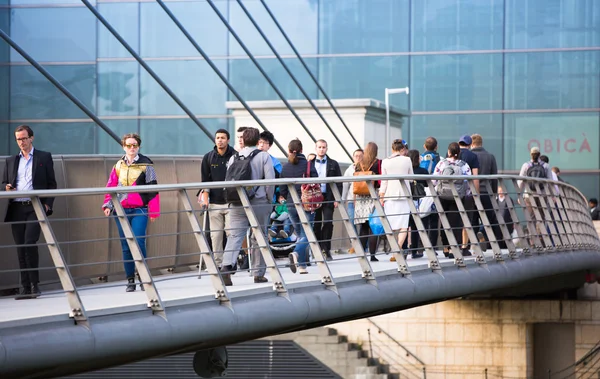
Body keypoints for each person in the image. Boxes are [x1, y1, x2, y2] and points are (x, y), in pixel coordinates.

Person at [2, 125, 57, 300]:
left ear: (31, 138)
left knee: (29, 243)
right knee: (20, 247)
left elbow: (52, 183)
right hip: (17, 207)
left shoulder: (44, 157)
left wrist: (47, 204)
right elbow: (3, 181)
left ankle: (35, 285)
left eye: (24, 138)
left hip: (35, 206)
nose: (22, 142)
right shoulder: (11, 160)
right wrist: (6, 187)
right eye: (19, 139)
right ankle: (25, 287)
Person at [102, 133, 160, 292]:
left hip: (139, 209)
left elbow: (153, 189)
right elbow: (110, 187)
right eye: (129, 145)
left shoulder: (147, 165)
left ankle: (143, 276)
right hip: (120, 210)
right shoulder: (118, 165)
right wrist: (107, 205)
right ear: (123, 147)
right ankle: (130, 280)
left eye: (134, 145)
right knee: (126, 245)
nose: (132, 148)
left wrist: (154, 211)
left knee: (139, 242)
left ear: (138, 146)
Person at [220, 128, 275, 286]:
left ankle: (226, 267)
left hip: (236, 202)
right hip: (258, 202)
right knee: (259, 236)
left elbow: (226, 181)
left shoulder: (233, 157)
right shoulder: (264, 156)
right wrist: (268, 200)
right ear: (258, 141)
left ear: (243, 140)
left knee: (235, 236)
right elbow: (270, 181)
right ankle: (258, 273)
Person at [198, 128, 235, 267]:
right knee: (216, 235)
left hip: (231, 202)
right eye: (218, 137)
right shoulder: (208, 157)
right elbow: (205, 181)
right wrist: (205, 199)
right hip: (214, 202)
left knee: (231, 233)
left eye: (223, 138)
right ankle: (219, 264)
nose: (220, 140)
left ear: (228, 140)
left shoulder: (235, 156)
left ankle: (230, 261)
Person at [280, 139, 318, 274]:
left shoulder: (285, 167)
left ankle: (302, 266)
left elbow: (282, 189)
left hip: (291, 204)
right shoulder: (308, 165)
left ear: (289, 151)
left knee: (300, 234)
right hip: (307, 204)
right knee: (307, 234)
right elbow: (316, 181)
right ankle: (296, 254)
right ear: (301, 150)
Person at [433, 142, 472, 257]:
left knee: (444, 221)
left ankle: (445, 247)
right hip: (458, 196)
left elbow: (434, 180)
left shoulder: (441, 164)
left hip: (443, 195)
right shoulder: (464, 165)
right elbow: (468, 181)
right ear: (459, 153)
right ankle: (453, 249)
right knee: (456, 223)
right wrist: (466, 193)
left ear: (448, 152)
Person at [379, 140, 413, 260]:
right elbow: (411, 177)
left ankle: (395, 249)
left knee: (391, 226)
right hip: (404, 195)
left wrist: (381, 197)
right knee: (404, 225)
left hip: (389, 195)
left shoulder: (385, 161)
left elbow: (384, 182)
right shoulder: (407, 160)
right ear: (402, 149)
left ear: (392, 148)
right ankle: (398, 248)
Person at [309, 139, 342, 261]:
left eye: (324, 147)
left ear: (327, 148)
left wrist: (337, 198)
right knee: (316, 224)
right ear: (315, 148)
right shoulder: (310, 163)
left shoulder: (333, 163)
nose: (321, 149)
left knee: (328, 222)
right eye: (319, 147)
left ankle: (326, 248)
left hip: (328, 197)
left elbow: (339, 182)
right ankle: (318, 248)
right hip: (314, 197)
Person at [470, 134, 501, 252]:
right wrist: (494, 193)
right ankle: (482, 232)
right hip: (486, 193)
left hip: (472, 192)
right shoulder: (490, 156)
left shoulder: (470, 156)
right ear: (481, 143)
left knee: (473, 218)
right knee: (487, 218)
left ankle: (474, 245)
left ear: (472, 144)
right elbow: (494, 176)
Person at [353, 142, 383, 261]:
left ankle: (361, 255)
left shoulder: (359, 164)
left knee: (363, 228)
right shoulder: (378, 163)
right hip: (372, 195)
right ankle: (372, 255)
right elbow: (380, 181)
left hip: (360, 197)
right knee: (373, 227)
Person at [518, 147, 553, 245]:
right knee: (541, 218)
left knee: (531, 218)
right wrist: (552, 195)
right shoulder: (546, 166)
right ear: (539, 154)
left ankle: (532, 242)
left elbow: (520, 181)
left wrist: (519, 195)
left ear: (531, 154)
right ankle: (541, 241)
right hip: (542, 196)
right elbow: (550, 182)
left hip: (529, 195)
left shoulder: (526, 165)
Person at [458, 135, 480, 253]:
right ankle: (464, 246)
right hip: (467, 192)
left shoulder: (451, 154)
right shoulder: (473, 156)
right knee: (466, 219)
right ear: (470, 145)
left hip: (453, 192)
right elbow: (475, 177)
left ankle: (452, 247)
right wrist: (476, 193)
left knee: (454, 219)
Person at [406, 149, 428, 258]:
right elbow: (428, 186)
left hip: (405, 201)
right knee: (415, 226)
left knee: (405, 225)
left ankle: (405, 249)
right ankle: (415, 250)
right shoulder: (423, 171)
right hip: (419, 201)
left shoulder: (405, 171)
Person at [341, 149, 364, 253]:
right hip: (351, 200)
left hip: (363, 201)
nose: (358, 157)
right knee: (351, 222)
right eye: (356, 156)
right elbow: (345, 185)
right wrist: (343, 198)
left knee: (363, 223)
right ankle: (355, 244)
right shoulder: (350, 169)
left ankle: (363, 245)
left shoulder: (365, 168)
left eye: (360, 155)